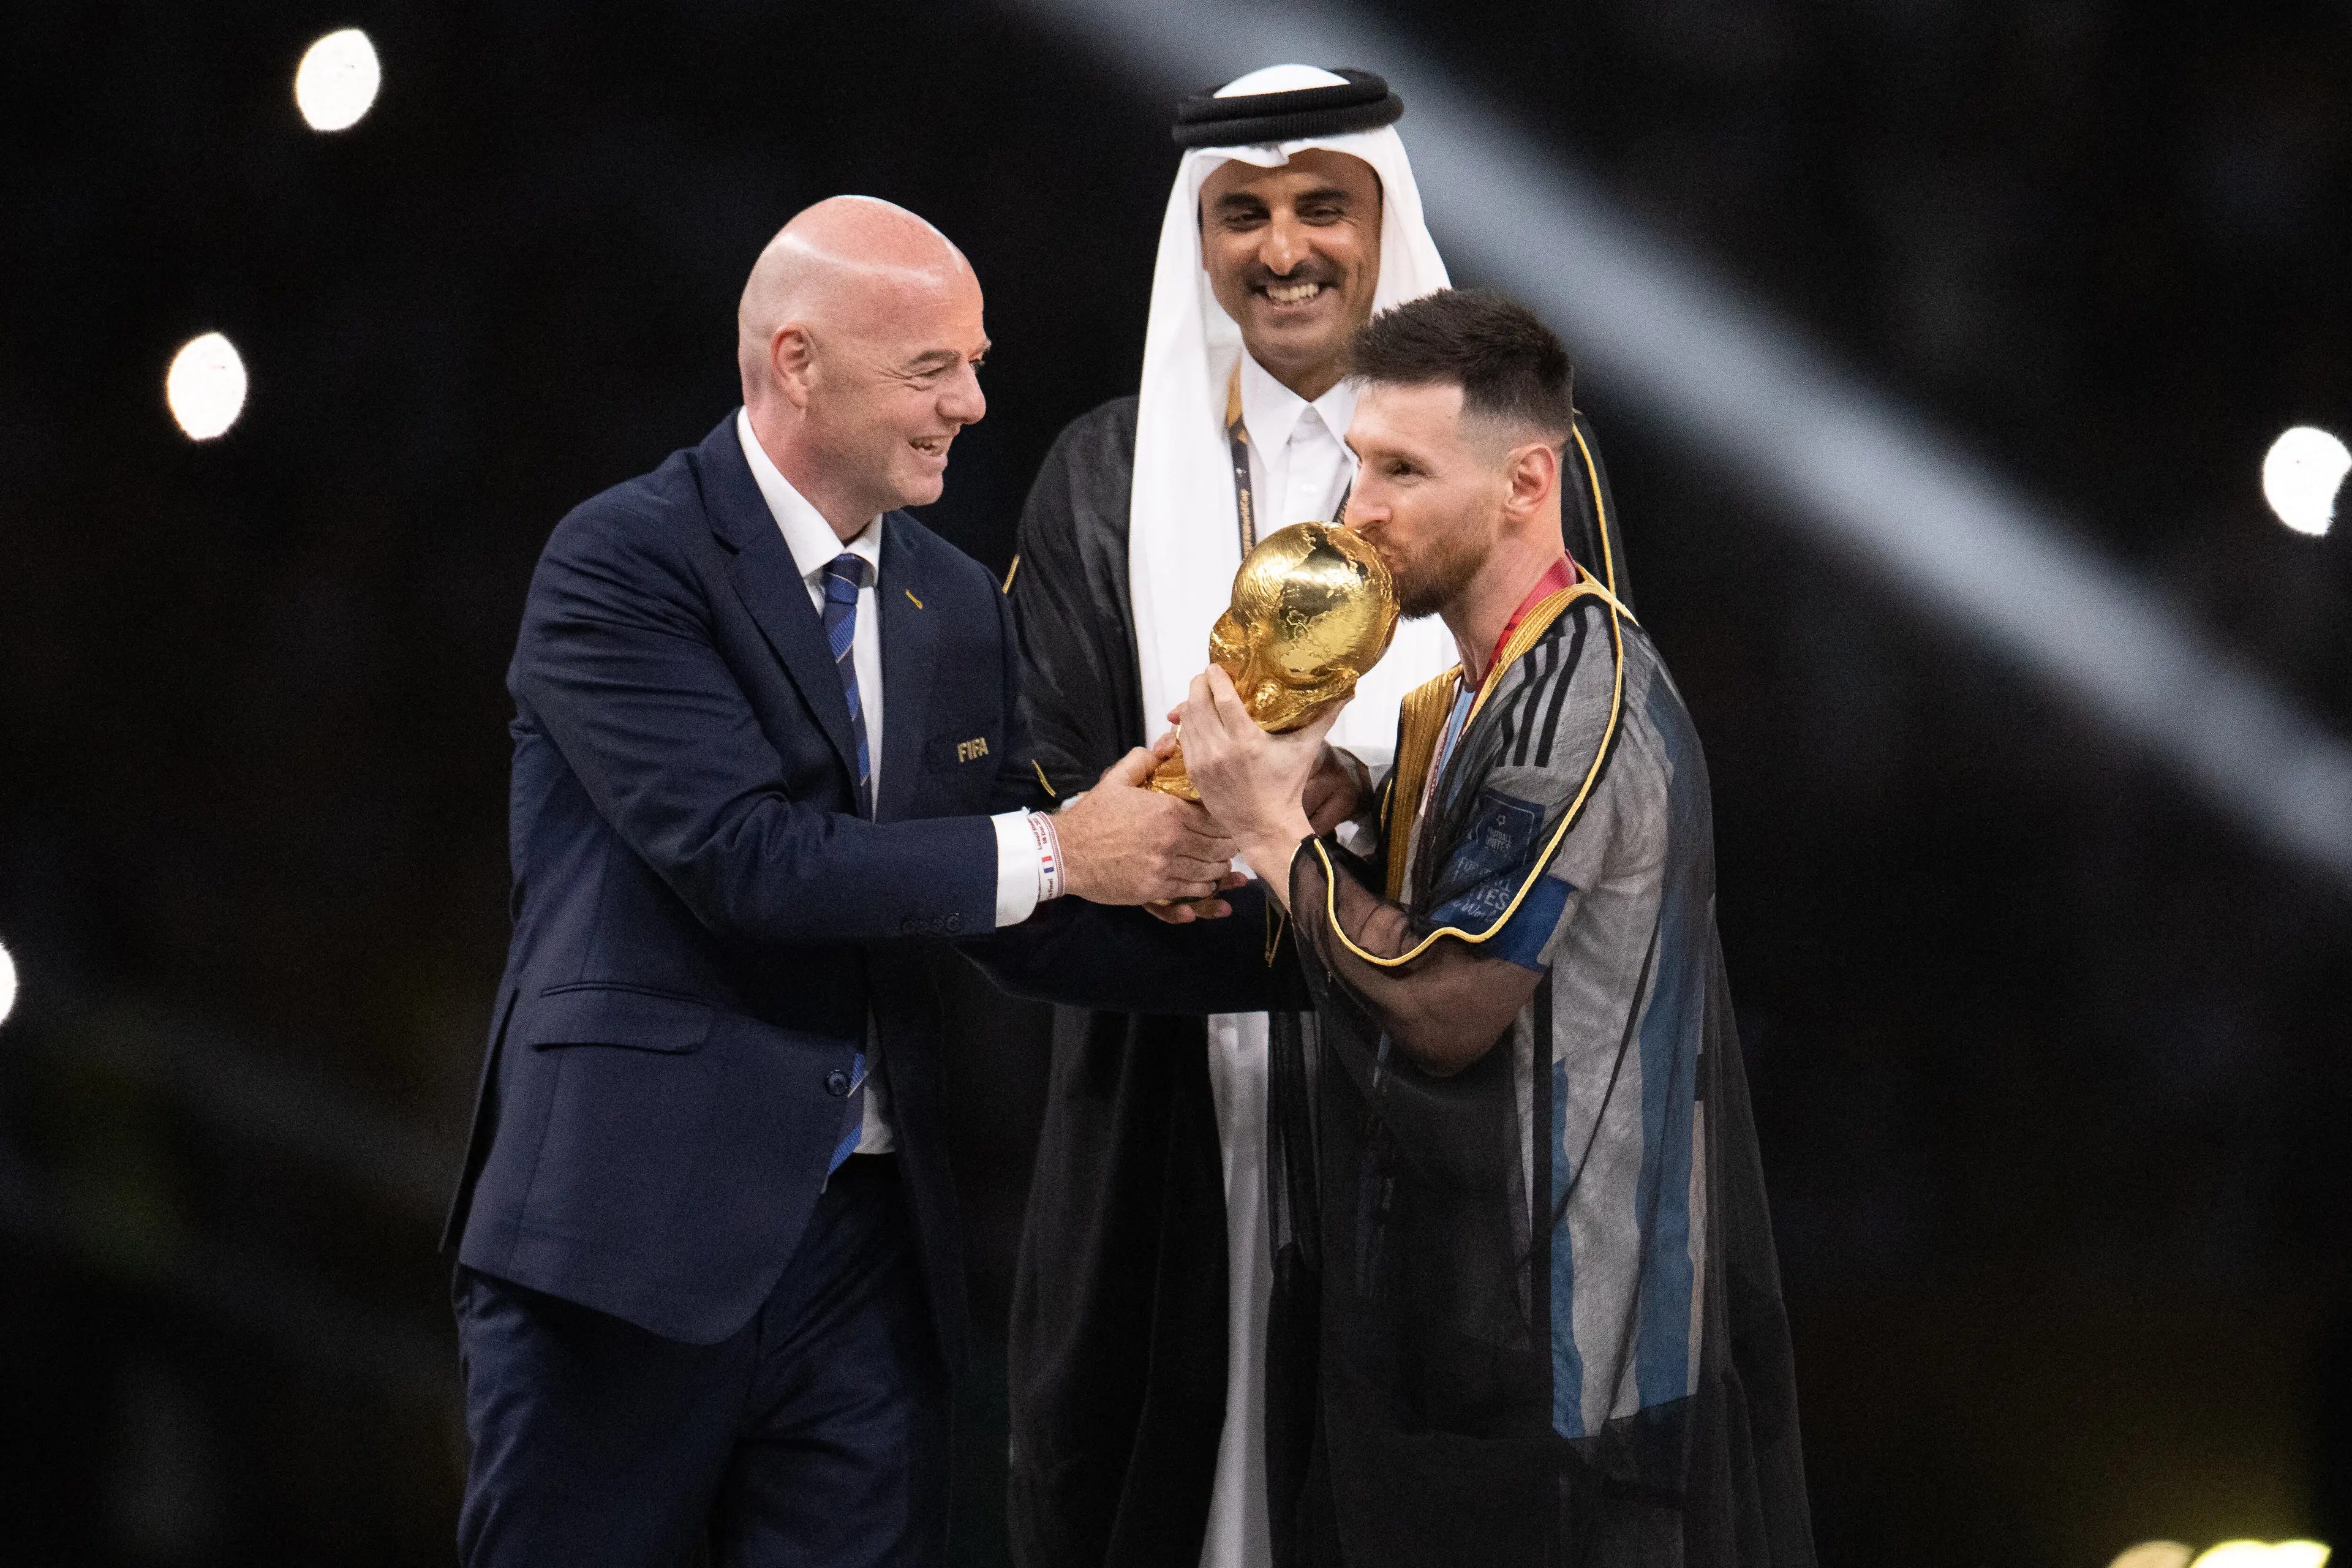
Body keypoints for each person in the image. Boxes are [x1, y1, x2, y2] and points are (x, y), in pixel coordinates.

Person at [439, 195, 1266, 1568]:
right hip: (627, 1239)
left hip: (871, 1258)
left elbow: (1001, 906)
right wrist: (1067, 845)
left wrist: (1324, 943)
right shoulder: (622, 559)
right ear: (798, 362)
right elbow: (750, 861)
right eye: (931, 368)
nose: (973, 404)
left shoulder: (954, 598)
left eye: (976, 363)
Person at [1003, 64, 1632, 1568]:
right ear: (1200, 238)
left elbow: (1563, 767)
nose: (1284, 248)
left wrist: (1320, 819)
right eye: (1245, 214)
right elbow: (1050, 803)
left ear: (1383, 217)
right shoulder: (1100, 477)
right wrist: (1154, 841)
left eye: (1320, 206)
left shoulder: (1511, 473)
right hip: (1164, 1092)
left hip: (1432, 1089)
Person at [1174, 288, 1814, 1564]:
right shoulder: (1471, 695)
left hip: (1574, 1397)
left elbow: (1449, 1004)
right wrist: (1357, 813)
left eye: (1404, 471)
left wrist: (1271, 831)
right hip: (1468, 1363)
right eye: (1362, 463)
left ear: (1528, 481)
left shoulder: (1583, 694)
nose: (1360, 508)